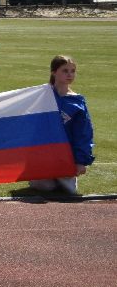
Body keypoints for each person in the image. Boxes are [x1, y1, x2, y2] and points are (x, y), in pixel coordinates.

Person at [29, 57, 93, 196]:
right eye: (65, 71)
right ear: (53, 72)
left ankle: (65, 178)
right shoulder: (42, 95)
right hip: (45, 154)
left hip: (66, 154)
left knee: (69, 191)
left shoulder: (77, 101)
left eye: (73, 71)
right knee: (45, 186)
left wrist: (81, 161)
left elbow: (83, 133)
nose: (70, 74)